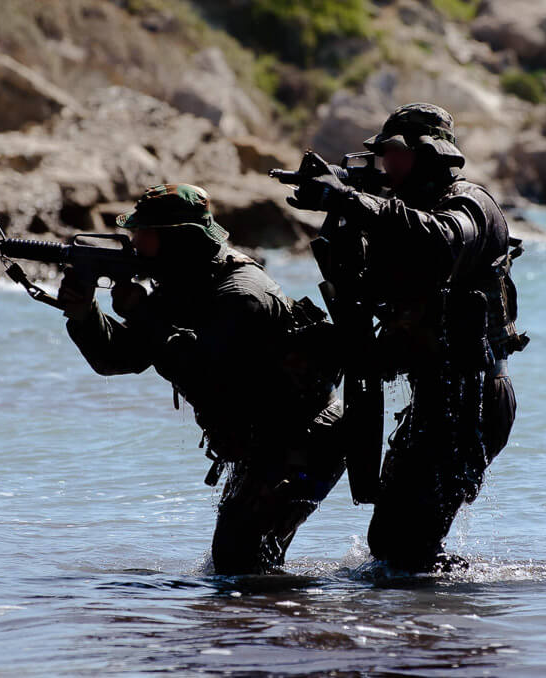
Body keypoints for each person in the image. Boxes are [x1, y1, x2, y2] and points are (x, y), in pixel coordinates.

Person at [285, 103, 528, 571]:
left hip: (473, 397)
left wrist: (352, 200)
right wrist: (343, 214)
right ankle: (423, 631)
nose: (385, 165)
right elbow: (365, 290)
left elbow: (441, 242)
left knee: (407, 549)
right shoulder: (401, 213)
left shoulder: (470, 203)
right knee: (389, 545)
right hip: (438, 396)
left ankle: (446, 630)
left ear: (430, 154)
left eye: (394, 153)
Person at [58, 184, 345, 575]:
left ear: (180, 240)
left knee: (238, 560)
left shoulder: (242, 295)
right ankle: (266, 629)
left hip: (305, 438)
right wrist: (84, 314)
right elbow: (118, 357)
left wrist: (142, 314)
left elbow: (205, 372)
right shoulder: (182, 286)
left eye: (146, 235)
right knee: (242, 562)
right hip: (268, 438)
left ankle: (281, 629)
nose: (135, 245)